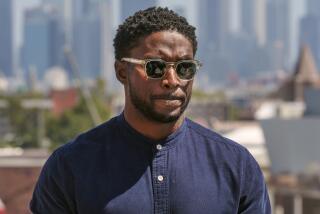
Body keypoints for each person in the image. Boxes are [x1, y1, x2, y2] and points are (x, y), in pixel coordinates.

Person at [30, 7, 271, 214]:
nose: (172, 80)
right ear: (122, 71)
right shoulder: (71, 167)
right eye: (155, 67)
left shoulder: (236, 165)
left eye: (185, 67)